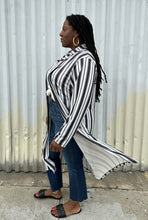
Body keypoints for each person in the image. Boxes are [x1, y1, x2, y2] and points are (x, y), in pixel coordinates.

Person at [34, 14, 137, 218]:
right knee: (51, 154)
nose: (60, 33)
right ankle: (56, 191)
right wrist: (51, 115)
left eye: (64, 29)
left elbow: (80, 104)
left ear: (76, 34)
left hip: (72, 122)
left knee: (73, 163)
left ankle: (75, 203)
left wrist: (63, 134)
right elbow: (56, 89)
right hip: (57, 115)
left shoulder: (86, 60)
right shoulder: (71, 55)